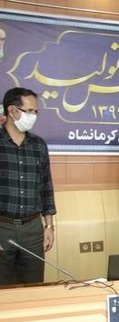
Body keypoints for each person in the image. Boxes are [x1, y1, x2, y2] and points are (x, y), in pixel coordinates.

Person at [0, 87, 57, 284]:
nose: (33, 116)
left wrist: (49, 226)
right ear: (12, 110)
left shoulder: (39, 145)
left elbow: (46, 187)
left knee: (35, 285)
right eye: (29, 111)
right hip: (2, 227)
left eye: (35, 112)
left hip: (33, 229)